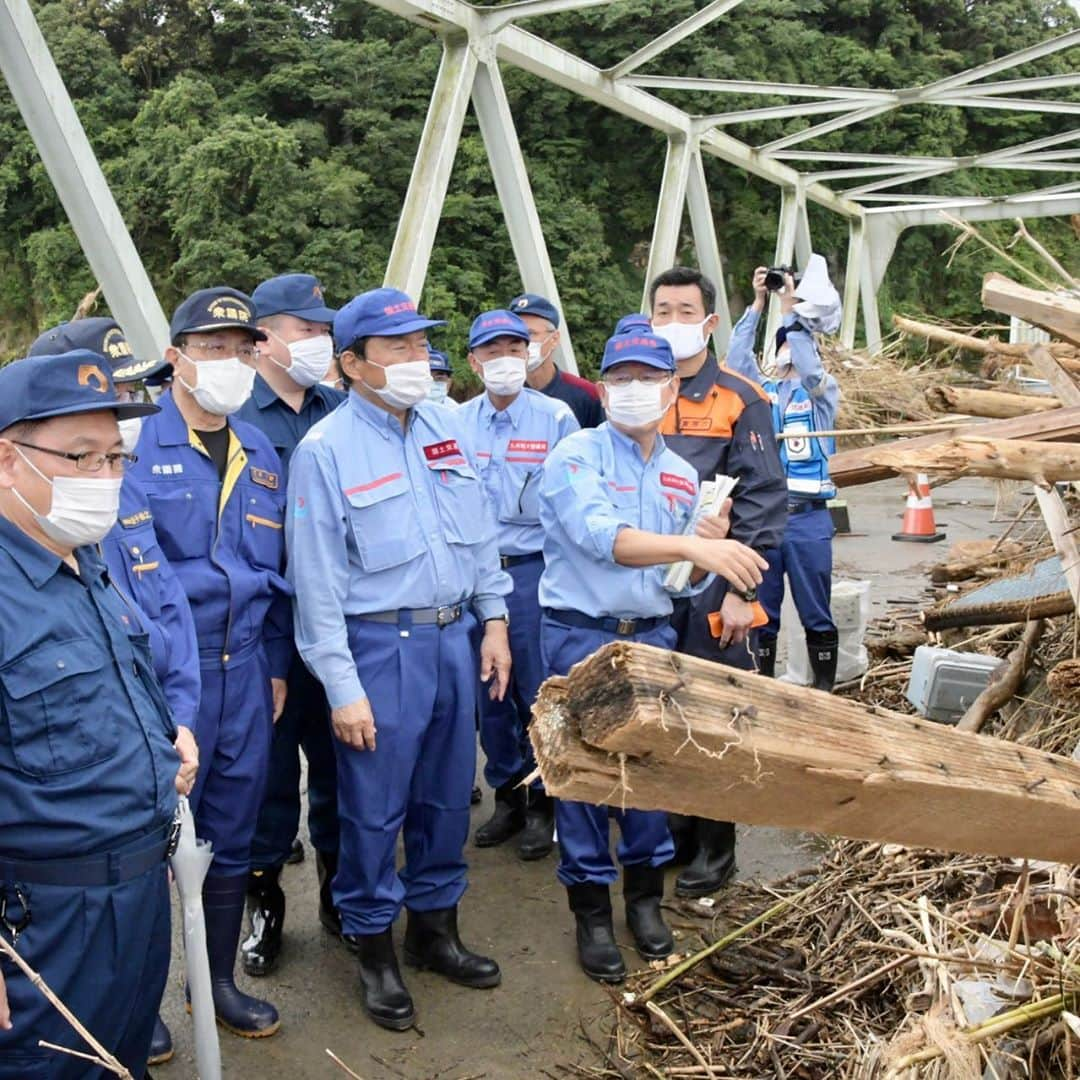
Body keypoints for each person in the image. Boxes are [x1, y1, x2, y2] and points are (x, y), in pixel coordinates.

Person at [287, 287, 513, 1031]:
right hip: (379, 647)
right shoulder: (324, 452)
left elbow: (480, 537)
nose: (418, 359)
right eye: (398, 349)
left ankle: (435, 932)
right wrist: (342, 687)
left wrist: (496, 620)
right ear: (352, 364)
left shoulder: (444, 427)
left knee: (449, 795)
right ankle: (374, 947)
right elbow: (316, 584)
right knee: (373, 810)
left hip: (455, 640)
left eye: (422, 345)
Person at [538, 329, 768, 983]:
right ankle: (590, 915)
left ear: (672, 390)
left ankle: (643, 904)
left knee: (647, 775)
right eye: (620, 378)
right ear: (604, 387)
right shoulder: (575, 456)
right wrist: (696, 551)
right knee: (581, 778)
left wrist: (702, 548)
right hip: (581, 634)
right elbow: (600, 537)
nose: (633, 390)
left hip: (653, 636)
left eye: (648, 379)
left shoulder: (679, 475)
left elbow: (682, 585)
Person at [0, 350, 197, 1078]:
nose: (105, 478)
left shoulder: (84, 560)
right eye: (81, 457)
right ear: (6, 460)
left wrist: (162, 743)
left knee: (121, 1062)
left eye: (115, 456)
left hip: (137, 894)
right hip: (46, 920)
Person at [130, 286, 292, 1039]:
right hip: (168, 670)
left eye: (240, 350)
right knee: (147, 836)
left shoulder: (260, 451)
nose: (229, 363)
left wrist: (278, 665)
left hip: (247, 669)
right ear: (176, 359)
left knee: (230, 826)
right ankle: (139, 1005)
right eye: (212, 349)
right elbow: (130, 581)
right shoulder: (137, 445)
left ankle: (213, 984)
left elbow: (277, 569)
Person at [649, 266, 788, 899]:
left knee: (714, 712)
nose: (671, 322)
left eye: (685, 311)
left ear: (709, 324)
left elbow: (762, 498)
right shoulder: (639, 390)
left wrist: (744, 590)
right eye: (661, 311)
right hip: (652, 584)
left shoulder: (740, 397)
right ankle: (674, 829)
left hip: (713, 585)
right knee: (663, 710)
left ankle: (716, 845)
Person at [235, 273, 345, 978]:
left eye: (323, 332)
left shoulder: (339, 410)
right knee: (269, 779)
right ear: (265, 339)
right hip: (269, 635)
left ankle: (341, 893)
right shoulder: (239, 418)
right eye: (306, 331)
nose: (319, 343)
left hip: (337, 628)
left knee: (339, 769)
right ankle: (265, 903)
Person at [458, 310, 578, 860]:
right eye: (492, 349)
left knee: (535, 689)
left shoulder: (555, 419)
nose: (505, 358)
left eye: (516, 346)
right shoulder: (454, 423)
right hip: (473, 574)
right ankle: (506, 794)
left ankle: (543, 802)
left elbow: (573, 505)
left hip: (532, 573)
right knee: (489, 696)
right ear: (473, 360)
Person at [725, 261, 841, 691]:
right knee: (763, 608)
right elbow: (736, 362)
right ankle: (766, 686)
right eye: (782, 346)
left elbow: (810, 369)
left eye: (791, 344)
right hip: (767, 517)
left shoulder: (822, 392)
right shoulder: (762, 394)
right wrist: (759, 303)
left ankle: (824, 688)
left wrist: (792, 310)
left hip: (809, 516)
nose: (786, 353)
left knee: (816, 609)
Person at [509, 293, 603, 428]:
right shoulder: (506, 394)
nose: (522, 341)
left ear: (554, 339)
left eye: (530, 334)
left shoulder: (587, 396)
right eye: (515, 335)